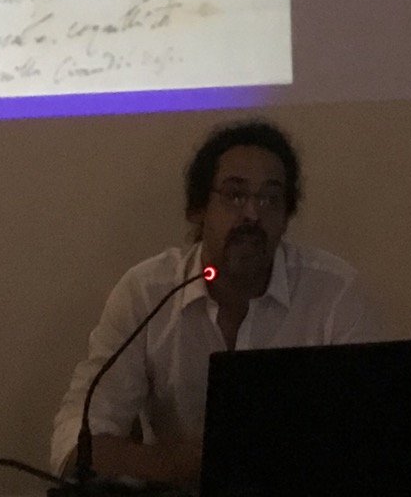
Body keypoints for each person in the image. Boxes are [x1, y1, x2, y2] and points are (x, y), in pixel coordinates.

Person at [50, 117, 378, 483]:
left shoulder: (334, 292)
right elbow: (72, 440)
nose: (252, 213)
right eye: (235, 195)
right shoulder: (148, 292)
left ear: (286, 219)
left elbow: (370, 436)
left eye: (270, 198)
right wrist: (167, 464)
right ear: (198, 209)